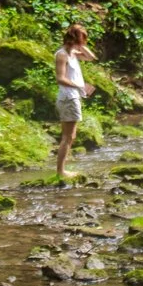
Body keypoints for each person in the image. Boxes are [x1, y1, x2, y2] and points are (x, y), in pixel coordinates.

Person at [53, 23, 94, 182]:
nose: (83, 44)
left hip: (72, 97)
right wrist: (81, 86)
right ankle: (61, 171)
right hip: (68, 98)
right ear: (72, 40)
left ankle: (61, 170)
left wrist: (81, 45)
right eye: (81, 40)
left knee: (70, 136)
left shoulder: (72, 53)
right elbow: (60, 78)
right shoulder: (62, 54)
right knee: (68, 137)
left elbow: (90, 57)